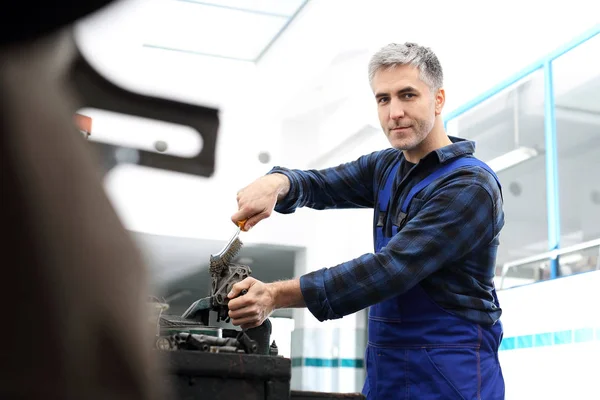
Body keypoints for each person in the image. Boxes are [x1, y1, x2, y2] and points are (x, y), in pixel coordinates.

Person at [227, 42, 505, 399]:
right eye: (383, 99)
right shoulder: (386, 167)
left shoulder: (470, 186)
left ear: (438, 100)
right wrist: (277, 182)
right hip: (387, 376)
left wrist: (275, 295)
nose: (395, 113)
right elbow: (321, 185)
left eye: (407, 95)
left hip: (453, 381)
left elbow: (390, 270)